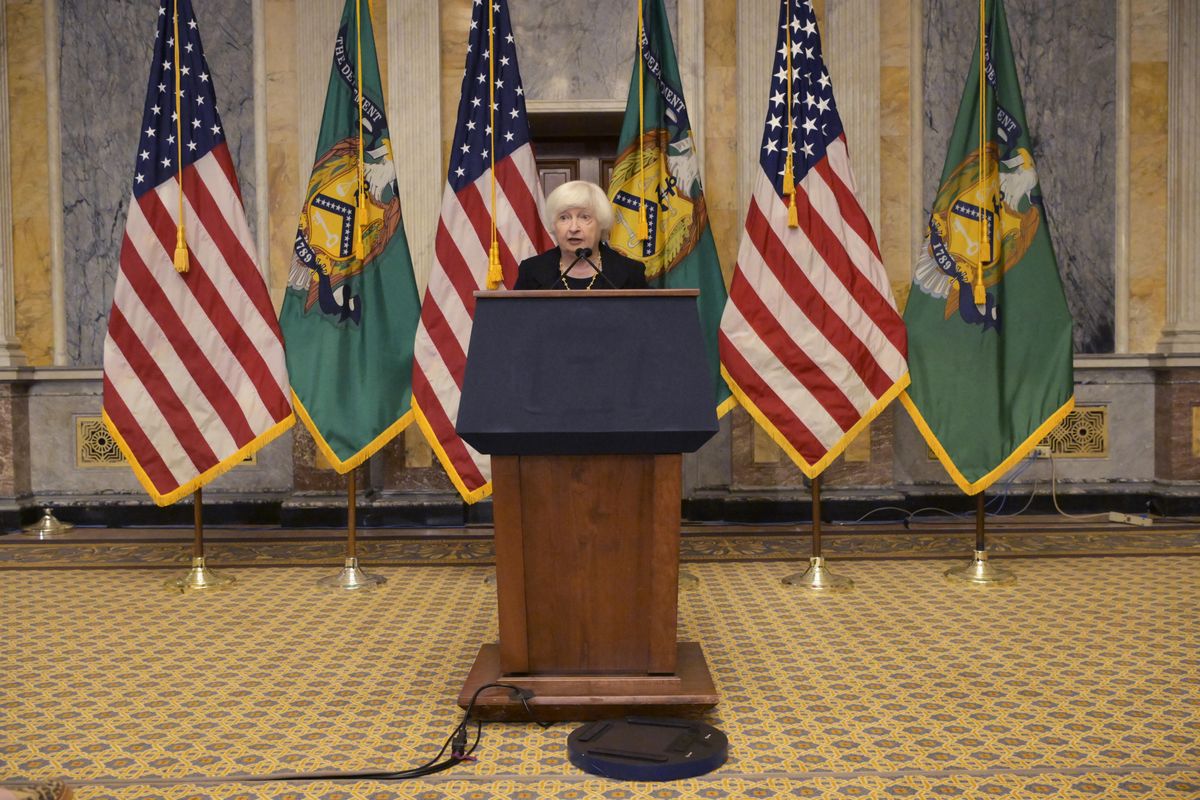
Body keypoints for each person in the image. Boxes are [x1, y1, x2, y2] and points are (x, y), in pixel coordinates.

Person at [514, 180, 648, 290]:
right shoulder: (531, 271)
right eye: (564, 218)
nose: (573, 228)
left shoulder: (630, 272)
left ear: (601, 222)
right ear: (553, 224)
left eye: (584, 217)